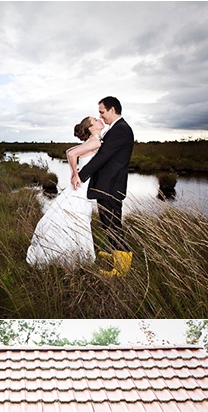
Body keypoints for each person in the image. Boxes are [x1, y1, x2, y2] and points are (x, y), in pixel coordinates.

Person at [26, 116, 105, 268]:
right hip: (83, 185)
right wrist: (74, 174)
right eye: (95, 119)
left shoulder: (92, 140)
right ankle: (76, 256)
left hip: (82, 183)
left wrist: (74, 173)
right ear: (91, 128)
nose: (99, 119)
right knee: (78, 218)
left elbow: (70, 150)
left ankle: (70, 253)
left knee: (72, 217)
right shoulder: (95, 141)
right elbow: (70, 154)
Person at [73, 96, 135, 277]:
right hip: (106, 185)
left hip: (111, 186)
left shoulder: (121, 129)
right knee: (108, 225)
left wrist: (81, 176)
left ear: (112, 110)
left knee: (113, 225)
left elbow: (102, 157)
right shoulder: (115, 129)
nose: (100, 116)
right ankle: (117, 255)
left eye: (102, 112)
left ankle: (122, 268)